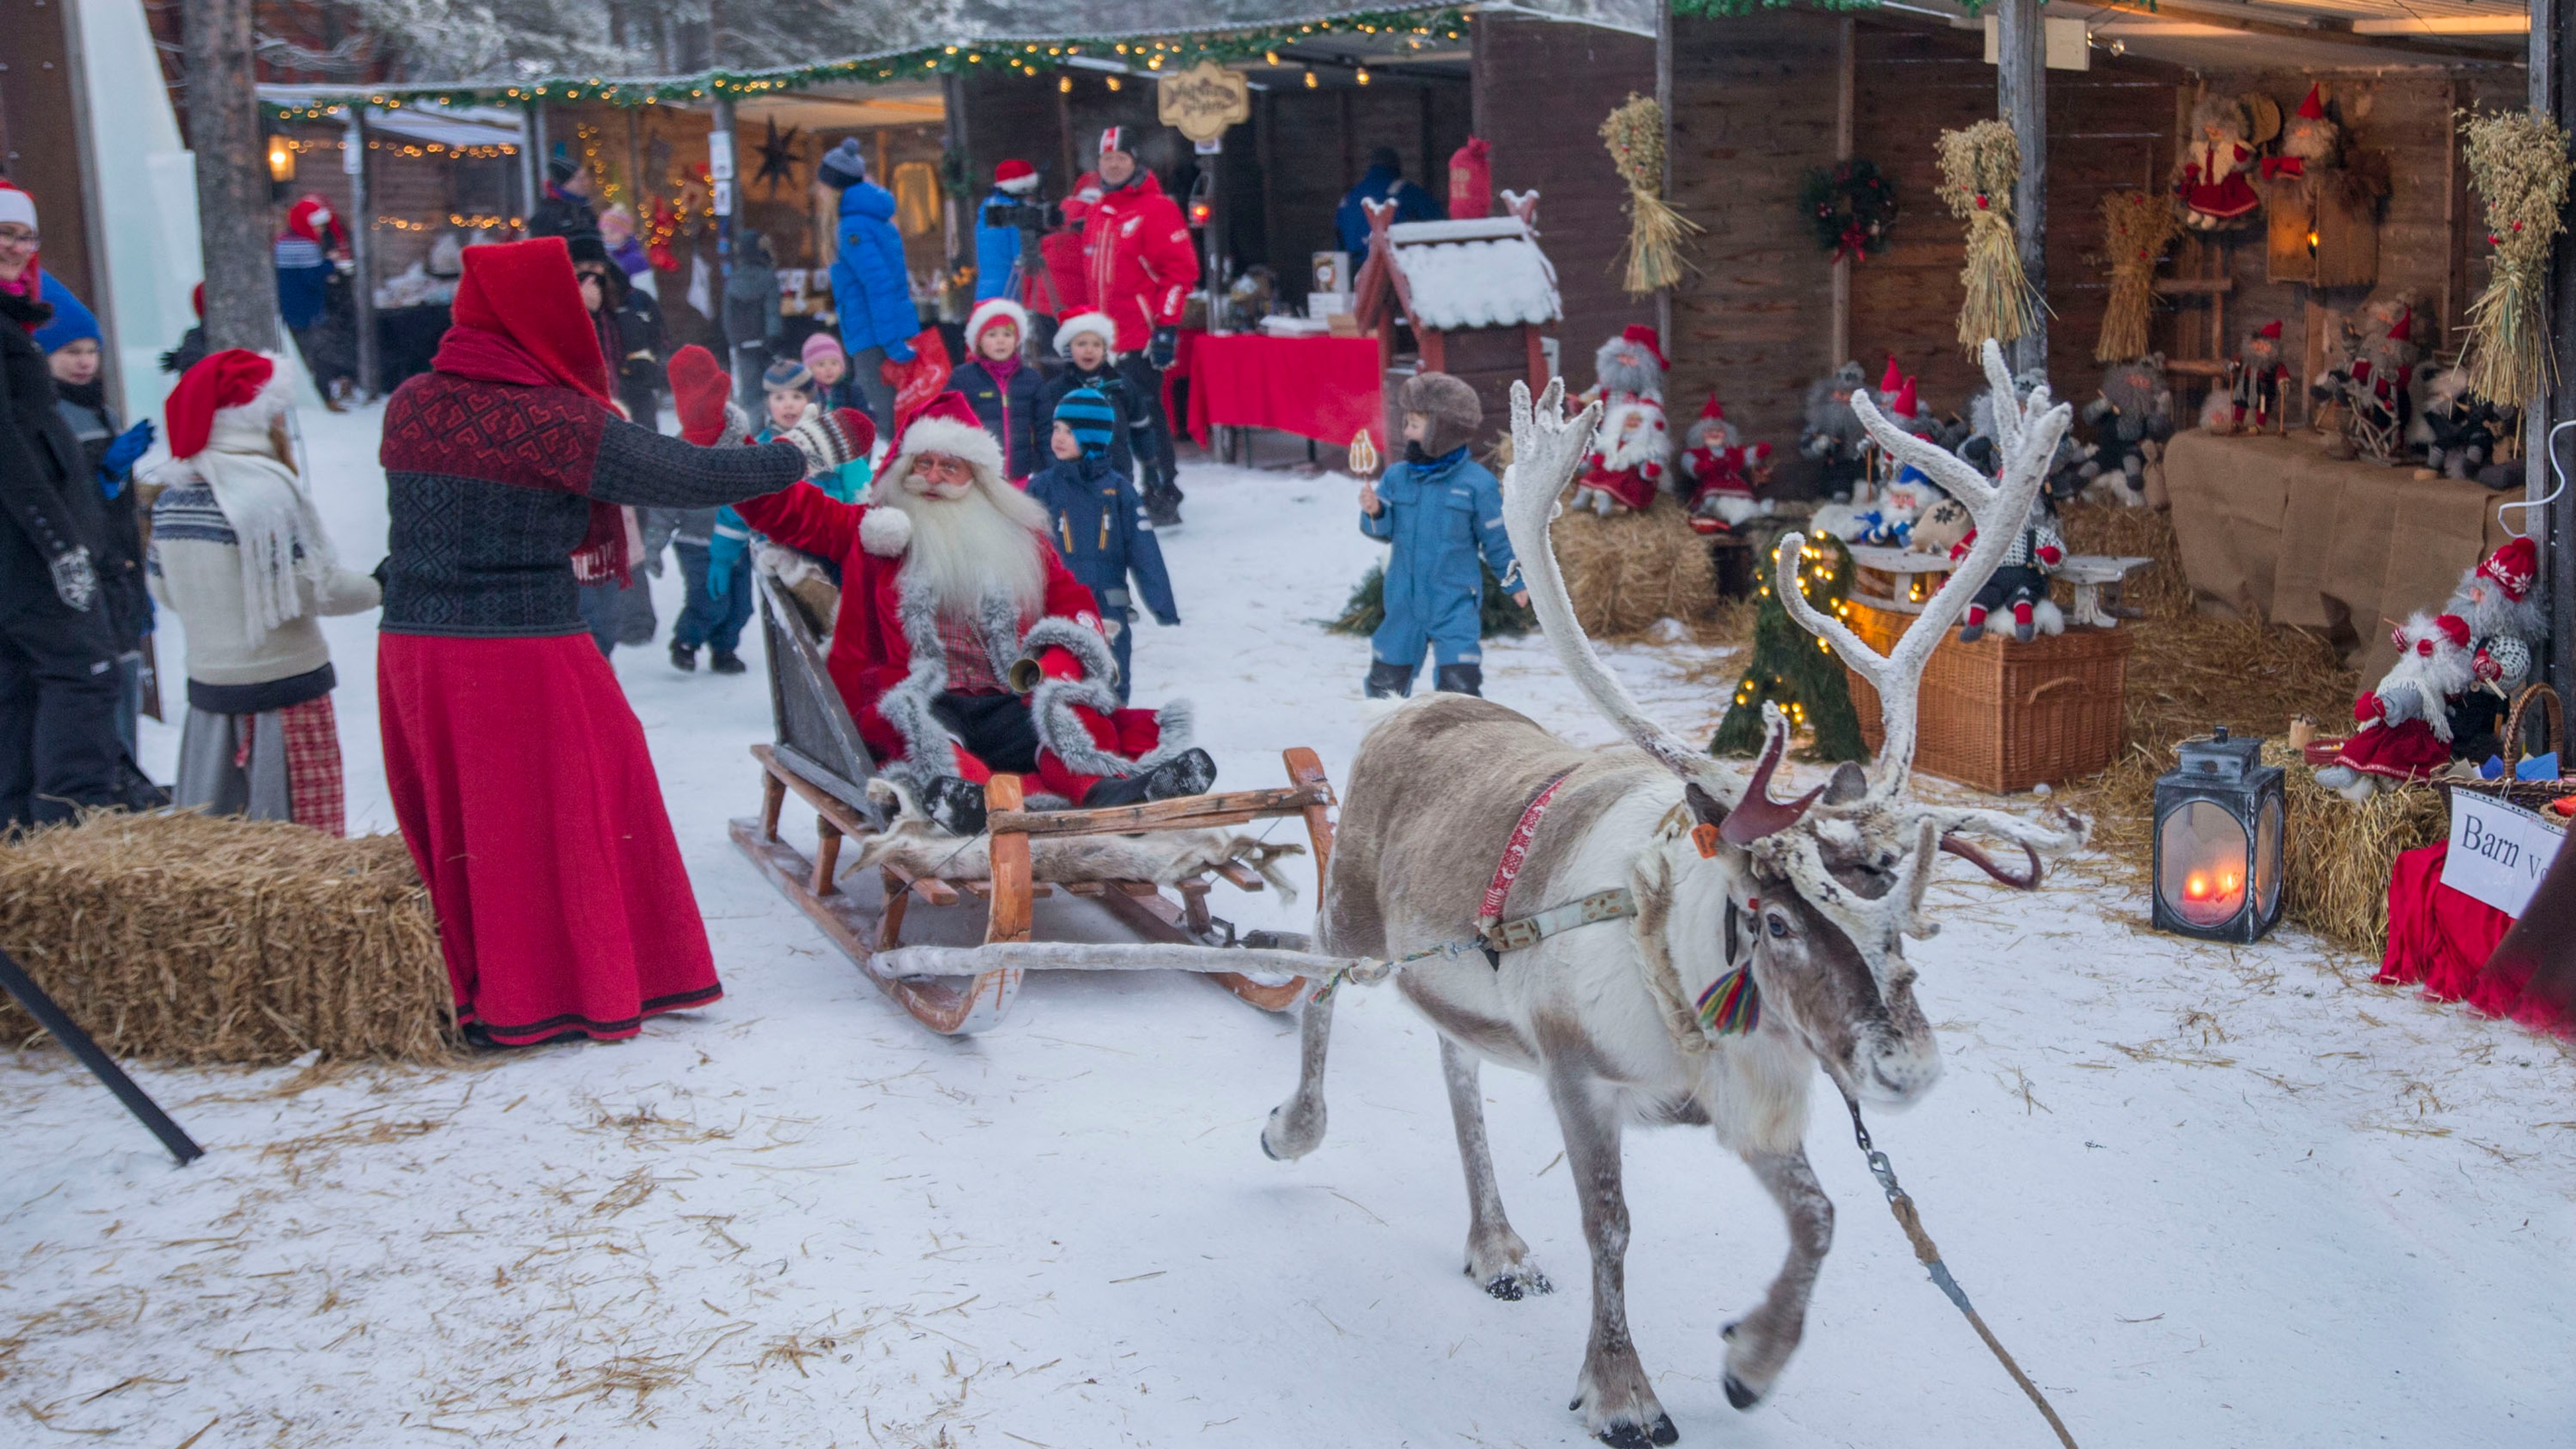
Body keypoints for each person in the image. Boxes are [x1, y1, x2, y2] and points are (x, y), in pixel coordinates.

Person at [376, 236, 869, 1047]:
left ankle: (492, 985)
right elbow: (690, 477)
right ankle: (568, 988)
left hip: (414, 646)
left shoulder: (413, 401)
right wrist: (807, 451)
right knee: (579, 799)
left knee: (476, 823)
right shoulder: (551, 419)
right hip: (518, 642)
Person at [731, 391, 1214, 837]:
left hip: (1006, 695)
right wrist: (725, 444)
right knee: (932, 738)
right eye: (924, 463)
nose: (934, 477)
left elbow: (1074, 603)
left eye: (951, 467)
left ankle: (1106, 794)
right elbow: (784, 510)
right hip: (923, 694)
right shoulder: (872, 530)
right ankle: (975, 803)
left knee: (1060, 725)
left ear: (979, 478)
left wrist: (1053, 666)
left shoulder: (1019, 540)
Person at [149, 350, 378, 833]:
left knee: (216, 844)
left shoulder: (173, 497)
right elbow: (313, 587)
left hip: (211, 692)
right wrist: (379, 587)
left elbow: (164, 589)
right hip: (285, 692)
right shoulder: (266, 491)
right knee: (295, 843)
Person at [0, 177, 151, 829]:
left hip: (32, 539)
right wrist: (59, 543)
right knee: (83, 671)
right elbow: (10, 451)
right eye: (4, 233)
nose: (16, 246)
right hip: (23, 543)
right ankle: (75, 822)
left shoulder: (15, 323)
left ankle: (22, 828)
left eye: (24, 235)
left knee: (22, 683)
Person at [38, 282, 156, 753]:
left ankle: (126, 770)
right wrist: (104, 474)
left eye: (91, 351)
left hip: (116, 567)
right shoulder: (49, 413)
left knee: (126, 670)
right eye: (70, 351)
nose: (84, 361)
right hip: (83, 569)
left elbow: (114, 508)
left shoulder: (101, 411)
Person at [1358, 372, 1523, 700]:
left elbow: (1498, 541)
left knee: (1459, 683)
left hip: (1455, 599)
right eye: (1406, 423)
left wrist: (1517, 583)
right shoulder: (1397, 478)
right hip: (1403, 599)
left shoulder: (1477, 484)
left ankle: (1458, 738)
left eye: (1415, 425)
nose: (1406, 432)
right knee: (1386, 680)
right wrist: (1375, 511)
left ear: (1442, 431)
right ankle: (1384, 736)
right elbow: (1382, 531)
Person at [1066, 128, 1197, 529]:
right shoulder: (1097, 212)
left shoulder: (1156, 209)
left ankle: (1162, 489)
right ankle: (1116, 489)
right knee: (1108, 418)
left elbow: (1180, 273)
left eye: (1121, 157)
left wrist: (1166, 329)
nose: (1114, 164)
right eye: (1107, 159)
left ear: (1135, 162)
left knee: (1146, 416)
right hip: (1103, 340)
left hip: (1141, 337)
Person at [1026, 387, 1176, 704]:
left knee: (1111, 671)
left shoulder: (1118, 490)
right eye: (1056, 429)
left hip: (1107, 604)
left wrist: (1163, 605)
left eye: (1070, 431)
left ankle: (1113, 726)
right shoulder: (1041, 487)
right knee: (1056, 671)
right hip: (1053, 602)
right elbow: (1020, 544)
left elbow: (1144, 550)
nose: (1059, 438)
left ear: (1092, 437)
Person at [571, 234, 657, 655]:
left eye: (597, 271)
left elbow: (651, 346)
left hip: (629, 425)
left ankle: (636, 618)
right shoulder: (568, 318)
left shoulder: (625, 307)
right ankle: (599, 623)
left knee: (632, 525)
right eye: (580, 273)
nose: (591, 281)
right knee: (600, 527)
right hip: (588, 434)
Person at [818, 138, 913, 440]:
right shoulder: (871, 219)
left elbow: (879, 284)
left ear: (834, 187)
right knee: (894, 418)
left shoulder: (852, 227)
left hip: (875, 336)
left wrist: (890, 340)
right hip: (879, 331)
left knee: (884, 420)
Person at [276, 195, 359, 409]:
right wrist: (330, 264)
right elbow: (312, 279)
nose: (322, 231)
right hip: (308, 310)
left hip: (287, 308)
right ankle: (322, 397)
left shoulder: (282, 243)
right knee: (318, 356)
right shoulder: (307, 246)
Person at [1037, 311, 1138, 482]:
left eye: (1096, 345)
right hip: (1072, 476)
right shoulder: (1056, 390)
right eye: (1081, 344)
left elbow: (1141, 427)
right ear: (1069, 348)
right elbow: (1046, 433)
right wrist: (1051, 467)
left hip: (1117, 471)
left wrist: (1151, 464)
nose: (1089, 350)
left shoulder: (1120, 385)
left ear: (1105, 349)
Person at [953, 298, 1044, 482]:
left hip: (1020, 474)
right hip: (978, 475)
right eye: (992, 335)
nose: (1001, 341)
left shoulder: (1031, 379)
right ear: (978, 341)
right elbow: (950, 421)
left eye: (1008, 335)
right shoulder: (963, 378)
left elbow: (1045, 426)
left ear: (1017, 340)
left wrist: (1047, 467)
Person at [1335, 146, 1441, 258]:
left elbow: (1339, 247)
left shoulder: (1348, 198)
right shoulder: (1408, 192)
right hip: (1397, 266)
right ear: (1397, 167)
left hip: (1355, 269)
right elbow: (1439, 225)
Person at [975, 159, 1042, 305]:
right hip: (1010, 293)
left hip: (985, 292)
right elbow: (1022, 257)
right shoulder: (1014, 215)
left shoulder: (987, 211)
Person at [529, 150, 599, 239]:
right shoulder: (547, 215)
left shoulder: (586, 207)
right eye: (580, 179)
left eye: (586, 177)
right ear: (565, 184)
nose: (586, 183)